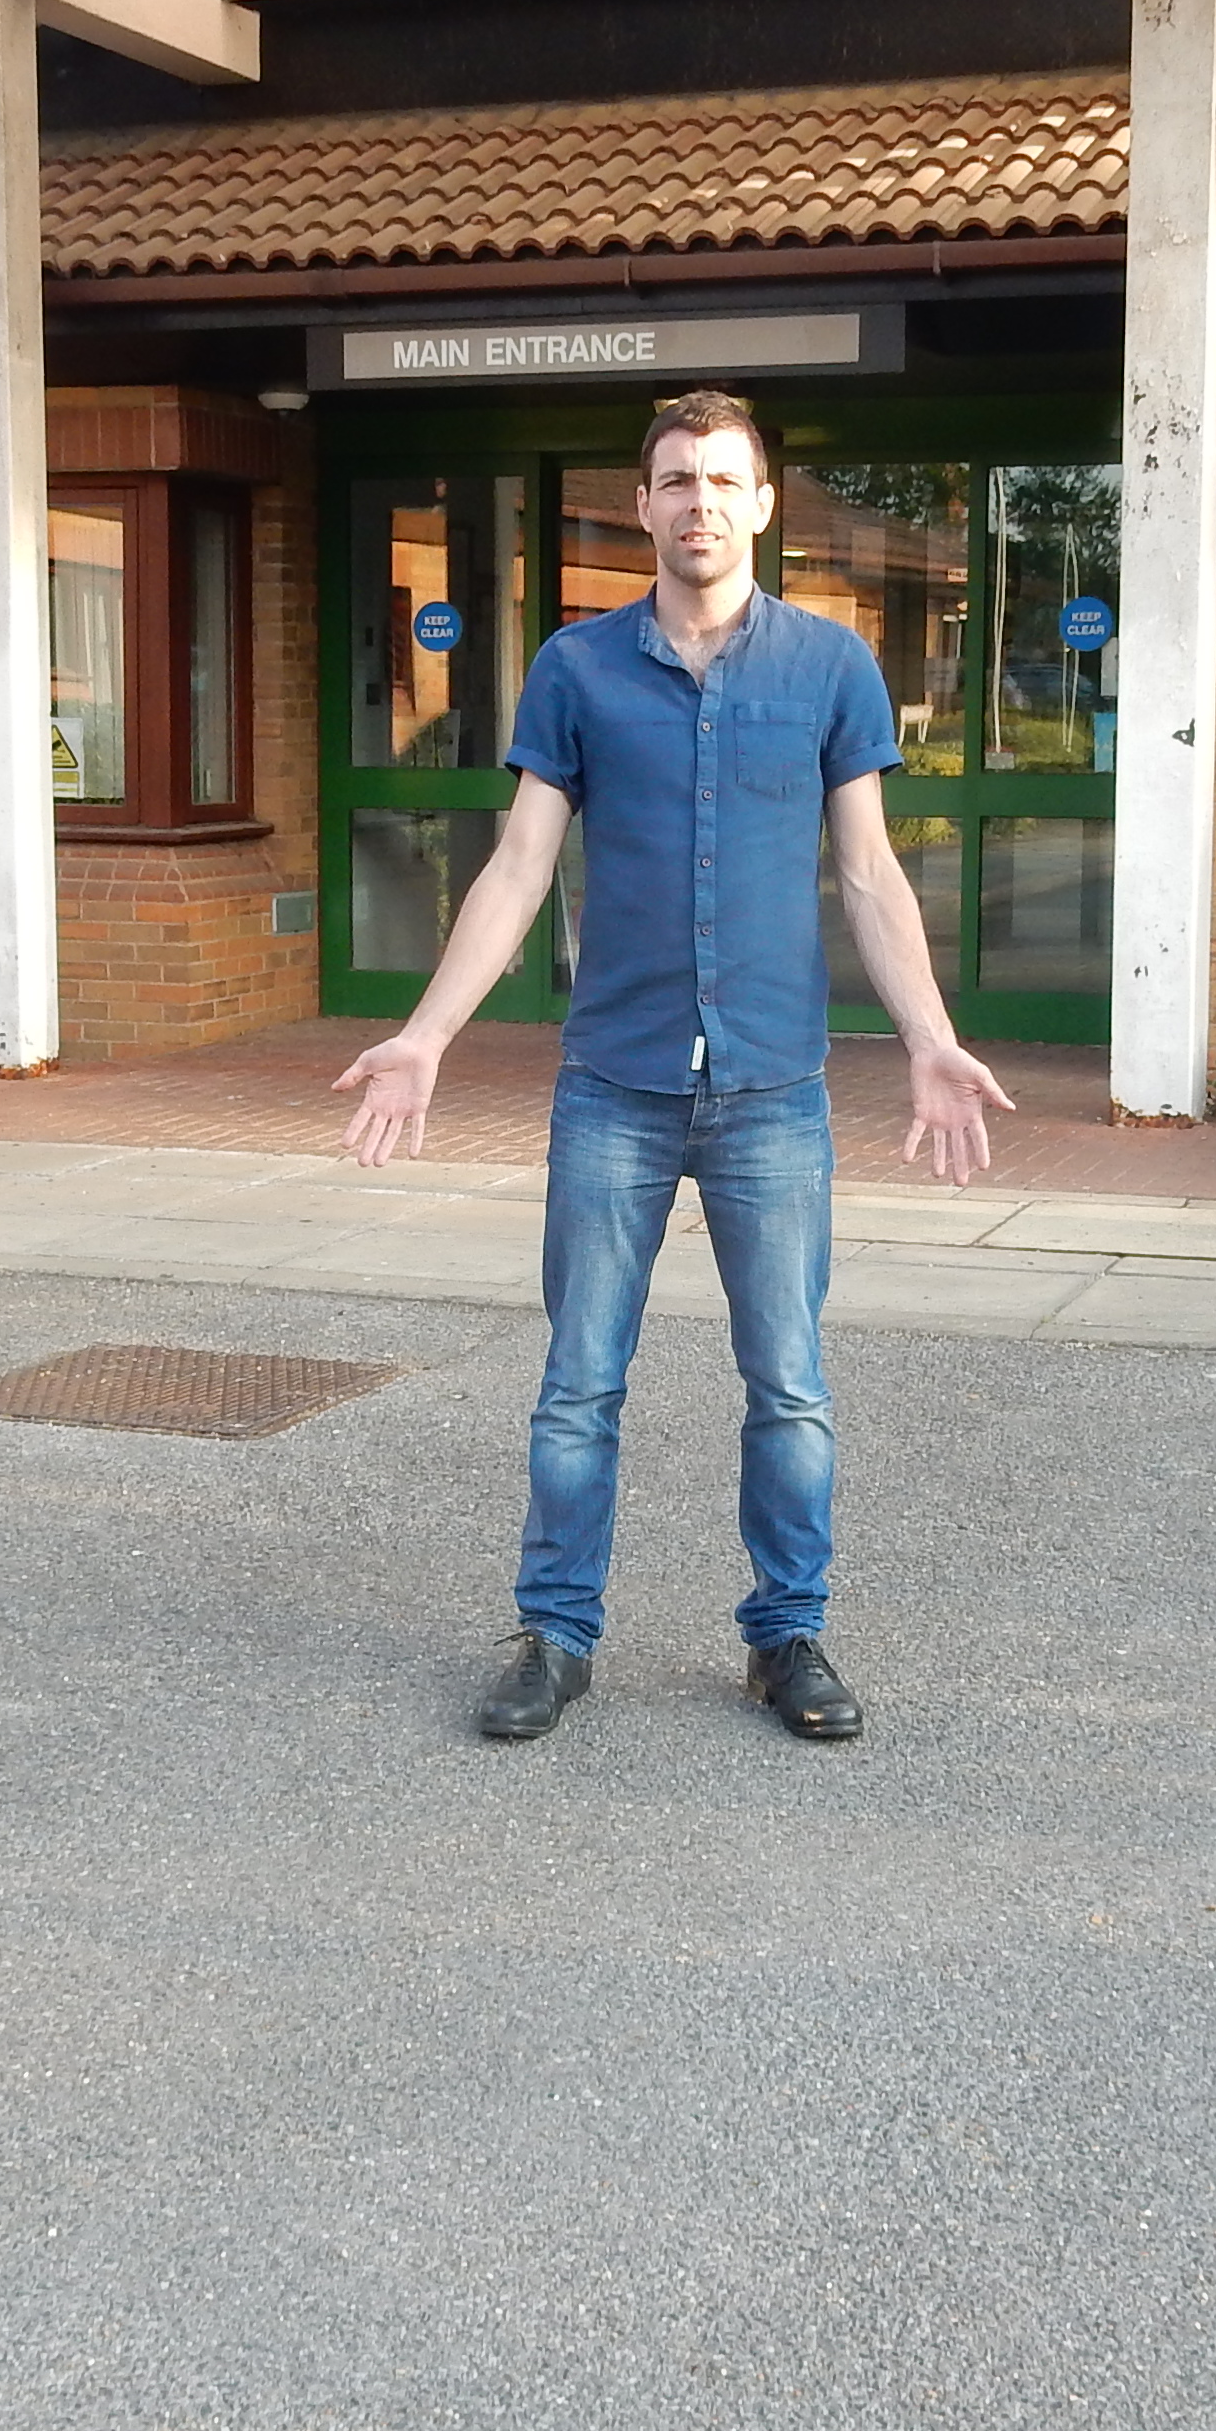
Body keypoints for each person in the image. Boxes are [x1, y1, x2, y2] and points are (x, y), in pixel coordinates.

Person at [335, 389, 1014, 1743]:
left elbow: (871, 872)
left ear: (762, 503)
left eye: (723, 479)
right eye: (674, 482)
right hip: (616, 1090)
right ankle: (556, 1633)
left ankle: (789, 1636)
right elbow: (520, 866)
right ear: (642, 507)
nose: (699, 502)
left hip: (773, 1091)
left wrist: (932, 1040)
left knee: (790, 1386)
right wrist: (426, 1034)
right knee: (580, 1383)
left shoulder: (829, 668)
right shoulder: (577, 671)